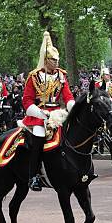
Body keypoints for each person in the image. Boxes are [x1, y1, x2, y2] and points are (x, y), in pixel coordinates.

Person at [23, 31, 75, 191]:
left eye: (57, 59)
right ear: (46, 60)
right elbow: (27, 101)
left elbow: (68, 97)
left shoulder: (61, 76)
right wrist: (39, 113)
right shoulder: (34, 76)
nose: (57, 62)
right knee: (39, 136)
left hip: (57, 113)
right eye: (53, 59)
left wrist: (74, 107)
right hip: (39, 115)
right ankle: (33, 176)